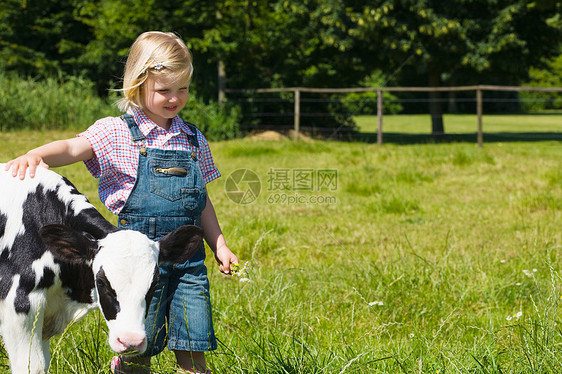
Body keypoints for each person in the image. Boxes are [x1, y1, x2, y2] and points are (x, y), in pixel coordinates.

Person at [5, 31, 238, 374]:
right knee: (137, 337)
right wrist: (36, 155)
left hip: (187, 261)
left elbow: (200, 199)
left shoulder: (193, 138)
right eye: (164, 90)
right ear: (137, 85)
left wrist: (219, 244)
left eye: (182, 89)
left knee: (194, 336)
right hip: (135, 264)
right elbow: (72, 147)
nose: (175, 99)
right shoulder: (116, 132)